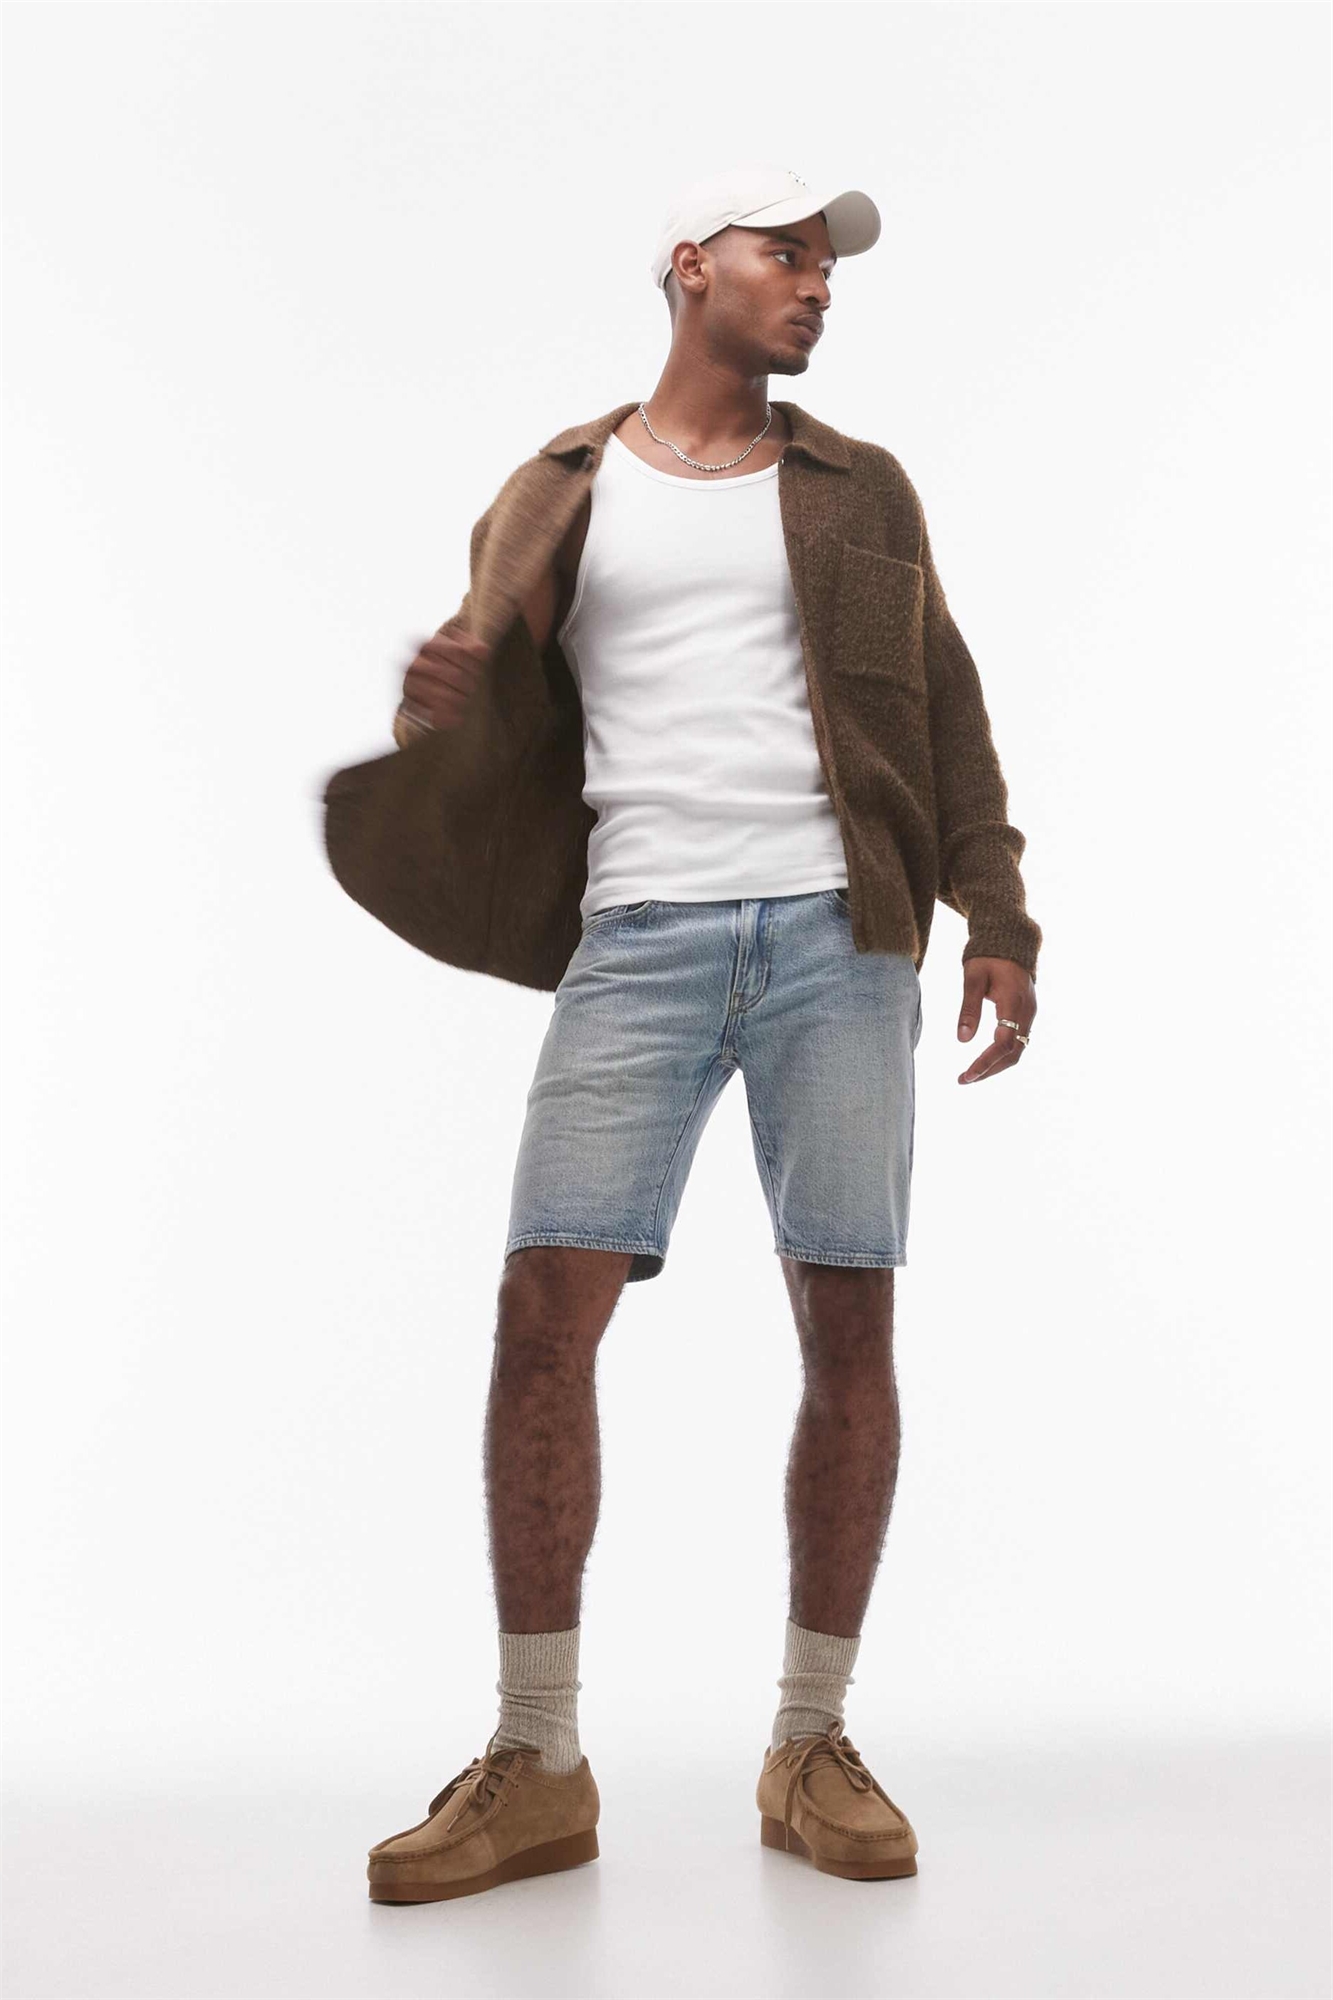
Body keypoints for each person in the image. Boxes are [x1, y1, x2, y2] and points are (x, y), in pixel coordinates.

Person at [362, 163, 1041, 1903]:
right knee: (541, 1318)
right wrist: (435, 705)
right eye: (783, 255)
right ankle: (537, 1760)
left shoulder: (860, 486)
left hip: (842, 938)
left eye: (827, 268)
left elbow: (947, 709)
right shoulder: (558, 487)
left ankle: (810, 1743)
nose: (815, 286)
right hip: (638, 939)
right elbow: (480, 712)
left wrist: (997, 916)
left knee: (847, 1321)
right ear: (689, 268)